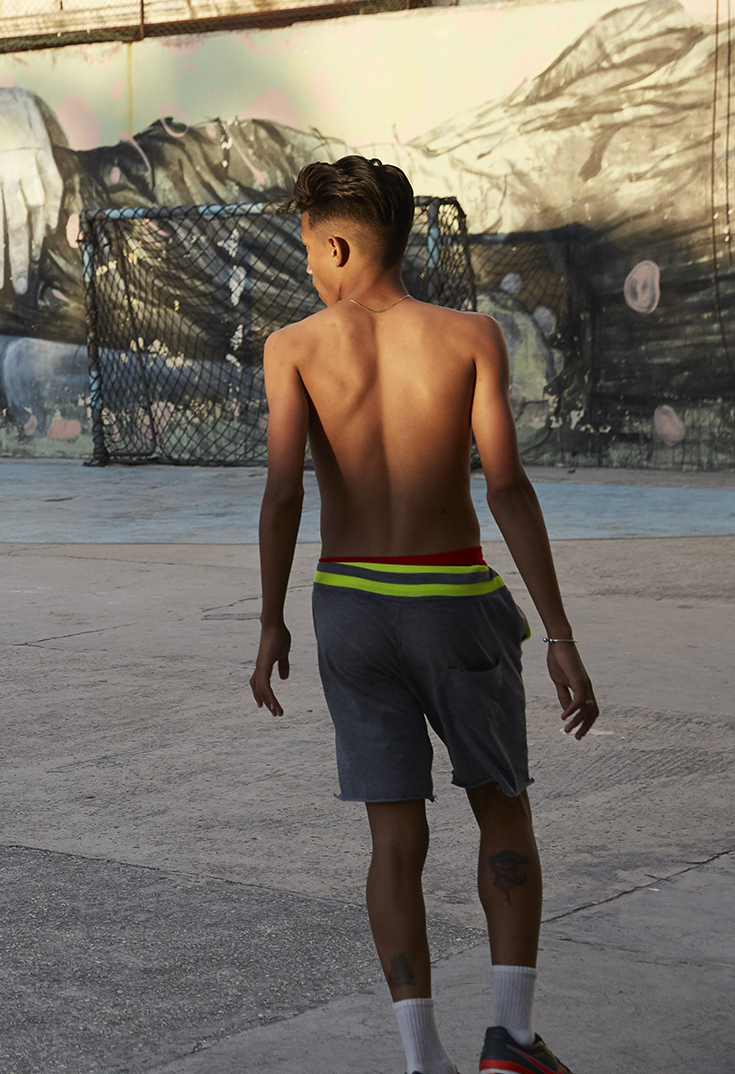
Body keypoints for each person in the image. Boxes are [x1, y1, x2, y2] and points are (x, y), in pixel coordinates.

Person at [251, 157, 598, 1074]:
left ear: (337, 246)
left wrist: (271, 620)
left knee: (394, 839)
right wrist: (559, 635)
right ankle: (511, 1039)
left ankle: (423, 1059)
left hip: (350, 609)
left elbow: (283, 494)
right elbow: (508, 488)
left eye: (308, 250)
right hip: (453, 603)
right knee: (502, 812)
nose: (307, 268)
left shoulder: (292, 348)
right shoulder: (470, 336)